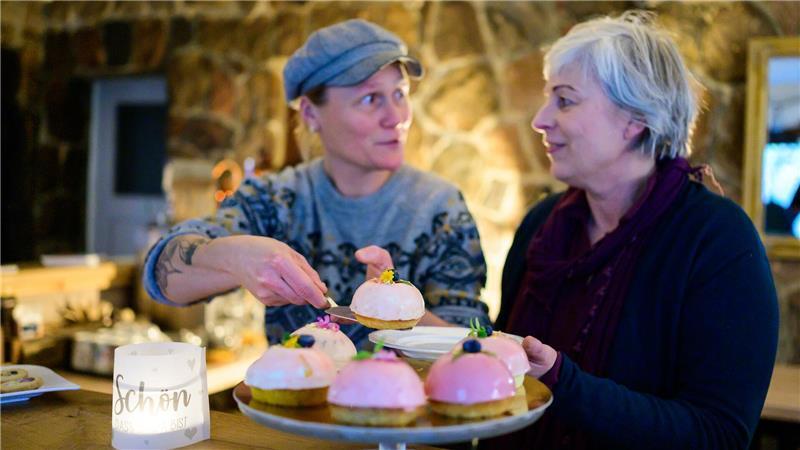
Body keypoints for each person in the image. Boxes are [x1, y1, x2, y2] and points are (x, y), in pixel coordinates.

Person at [492, 11, 779, 450]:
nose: (540, 119)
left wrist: (562, 381)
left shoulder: (718, 241)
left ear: (635, 120)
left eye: (565, 100)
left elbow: (718, 435)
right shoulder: (542, 225)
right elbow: (501, 361)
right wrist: (416, 324)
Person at [142, 19, 490, 348]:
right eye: (371, 99)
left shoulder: (440, 207)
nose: (396, 117)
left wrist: (393, 310)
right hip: (289, 408)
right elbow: (161, 276)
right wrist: (234, 255)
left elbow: (473, 345)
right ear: (310, 114)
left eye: (400, 93)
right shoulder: (275, 200)